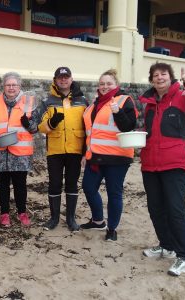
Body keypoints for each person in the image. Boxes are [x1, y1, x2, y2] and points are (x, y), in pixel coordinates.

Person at [139, 63, 185, 276]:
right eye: (155, 75)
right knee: (155, 208)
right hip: (150, 164)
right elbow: (149, 132)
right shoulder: (149, 104)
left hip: (176, 163)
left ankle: (184, 256)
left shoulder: (183, 96)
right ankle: (166, 246)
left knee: (175, 209)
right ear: (151, 80)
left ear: (170, 78)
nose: (159, 78)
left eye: (163, 74)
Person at [80, 69, 138, 241]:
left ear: (116, 85)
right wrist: (85, 153)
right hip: (95, 156)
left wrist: (117, 112)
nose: (105, 87)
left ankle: (112, 228)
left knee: (114, 193)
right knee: (89, 188)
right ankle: (98, 221)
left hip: (117, 158)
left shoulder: (124, 100)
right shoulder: (93, 104)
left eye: (109, 83)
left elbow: (129, 127)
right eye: (102, 84)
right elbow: (90, 132)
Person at [0, 72, 39, 227]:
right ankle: (4, 214)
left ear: (19, 86)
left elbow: (35, 129)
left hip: (20, 152)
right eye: (8, 85)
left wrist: (28, 124)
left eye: (14, 85)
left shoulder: (29, 102)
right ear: (4, 86)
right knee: (2, 183)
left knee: (20, 183)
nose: (11, 88)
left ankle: (22, 213)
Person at [37, 67, 88, 231]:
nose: (63, 80)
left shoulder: (83, 101)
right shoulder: (48, 101)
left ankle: (71, 219)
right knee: (54, 184)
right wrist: (51, 124)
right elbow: (40, 126)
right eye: (60, 78)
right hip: (55, 150)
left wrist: (87, 150)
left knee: (72, 184)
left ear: (71, 79)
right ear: (55, 80)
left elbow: (89, 126)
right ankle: (54, 218)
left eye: (66, 77)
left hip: (75, 149)